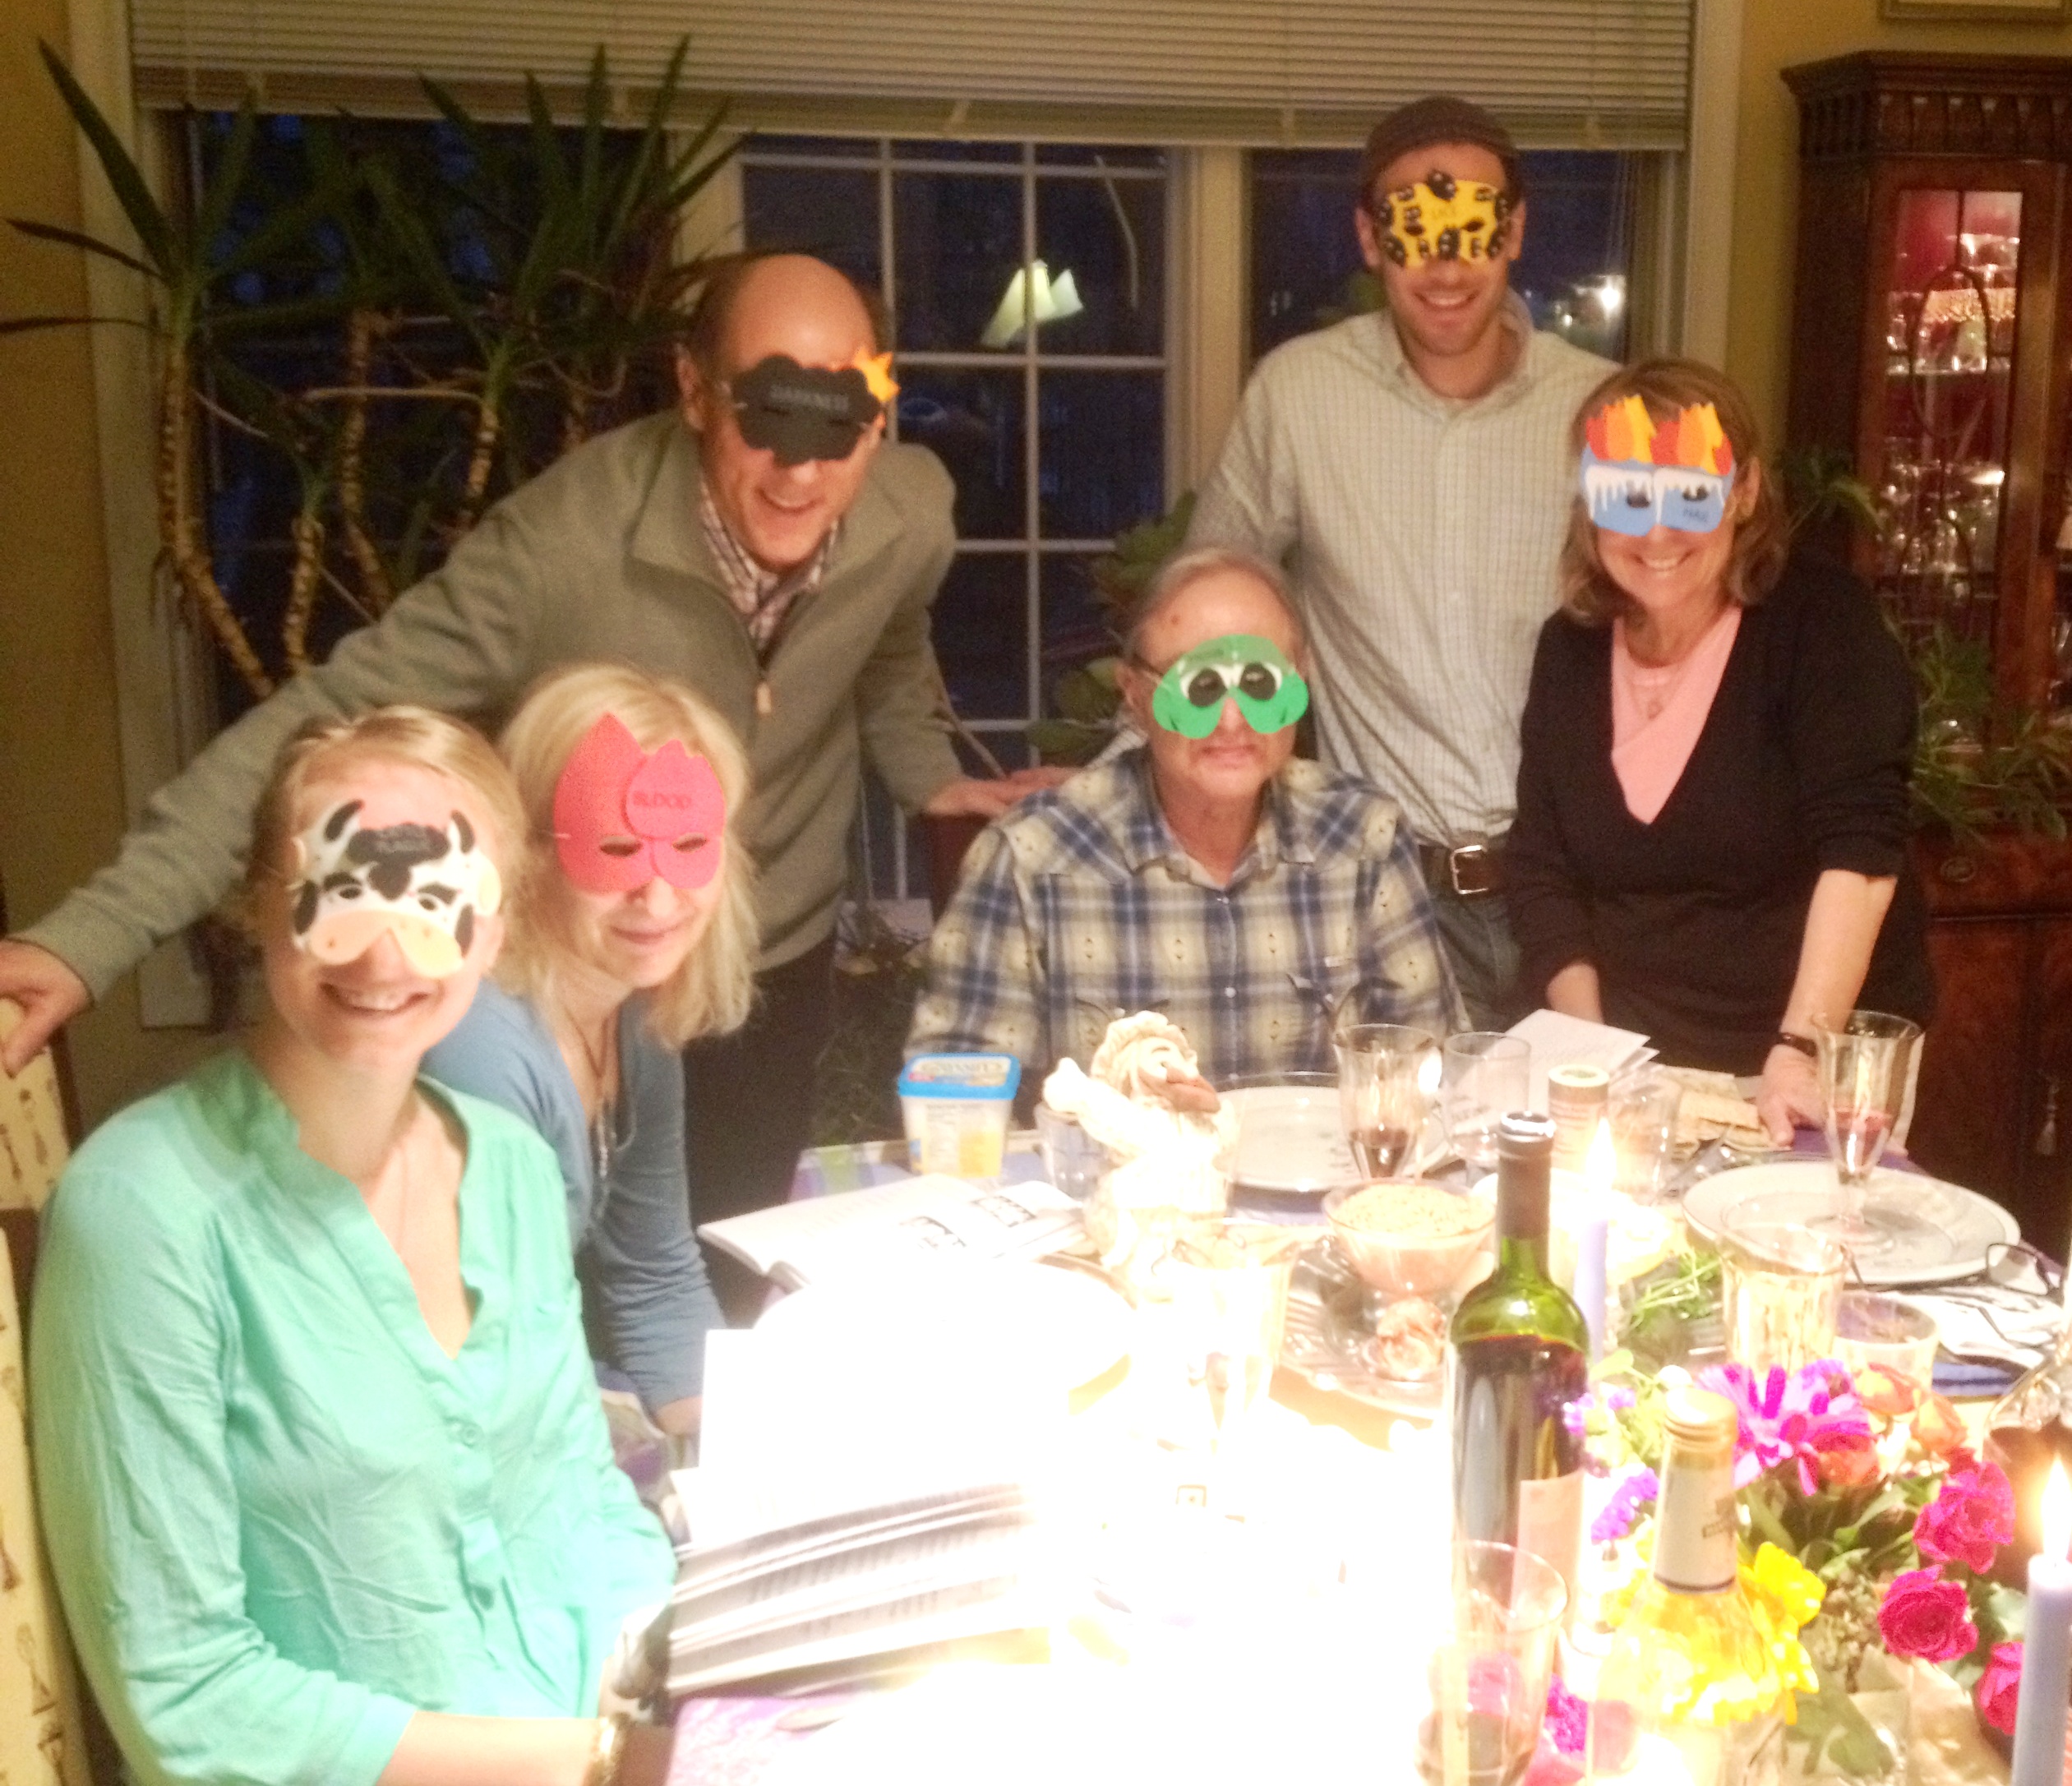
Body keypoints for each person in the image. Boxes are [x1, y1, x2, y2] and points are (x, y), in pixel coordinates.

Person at [0, 252, 1049, 1281]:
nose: (800, 470)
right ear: (694, 388)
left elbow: (888, 648)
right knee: (532, 1273)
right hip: (578, 965)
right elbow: (321, 724)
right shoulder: (561, 549)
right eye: (767, 416)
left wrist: (925, 776)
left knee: (719, 1262)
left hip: (763, 954)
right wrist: (90, 936)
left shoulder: (910, 514)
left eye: (836, 424)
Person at [32, 707, 678, 1786]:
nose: (385, 951)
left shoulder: (510, 1168)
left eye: (437, 901)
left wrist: (694, 1697)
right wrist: (608, 1763)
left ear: (497, 926)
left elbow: (581, 1501)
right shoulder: (143, 1211)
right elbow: (186, 1698)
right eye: (339, 892)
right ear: (257, 904)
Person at [1186, 94, 1613, 1027]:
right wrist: (1126, 777)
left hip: (1582, 896)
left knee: (1589, 1166)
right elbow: (1205, 616)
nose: (1448, 264)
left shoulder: (1600, 412)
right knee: (1403, 1166)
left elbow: (1677, 626)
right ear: (1370, 239)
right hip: (1389, 894)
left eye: (1472, 227)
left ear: (1515, 233)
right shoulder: (1298, 396)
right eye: (1415, 231)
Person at [1503, 358, 1934, 1142]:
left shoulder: (1821, 624)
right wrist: (1598, 1062)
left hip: (1805, 1063)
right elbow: (1541, 870)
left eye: (1690, 494)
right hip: (1631, 1068)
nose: (1656, 531)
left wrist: (1801, 1049)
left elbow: (1861, 856)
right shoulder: (1567, 650)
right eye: (1626, 494)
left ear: (1742, 492)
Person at [908, 547, 1461, 1085]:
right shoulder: (1028, 857)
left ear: (1300, 680)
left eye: (1260, 683)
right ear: (1135, 696)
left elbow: (1426, 1068)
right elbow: (957, 1107)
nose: (1230, 721)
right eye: (1196, 687)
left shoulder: (1366, 835)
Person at [425, 664, 754, 1435]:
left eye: (687, 844)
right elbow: (494, 1357)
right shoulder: (478, 1046)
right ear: (527, 854)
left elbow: (655, 1276)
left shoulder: (634, 1017)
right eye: (613, 847)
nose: (660, 896)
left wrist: (744, 1447)